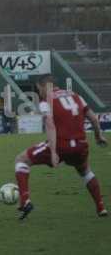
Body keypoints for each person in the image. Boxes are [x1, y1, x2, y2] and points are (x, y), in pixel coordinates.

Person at [15, 74, 108, 220]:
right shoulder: (77, 96)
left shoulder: (46, 101)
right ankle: (101, 206)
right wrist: (98, 136)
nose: (39, 93)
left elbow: (50, 125)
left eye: (39, 89)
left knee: (21, 159)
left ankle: (24, 200)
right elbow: (94, 118)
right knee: (85, 171)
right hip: (81, 145)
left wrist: (53, 152)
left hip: (61, 145)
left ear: (45, 86)